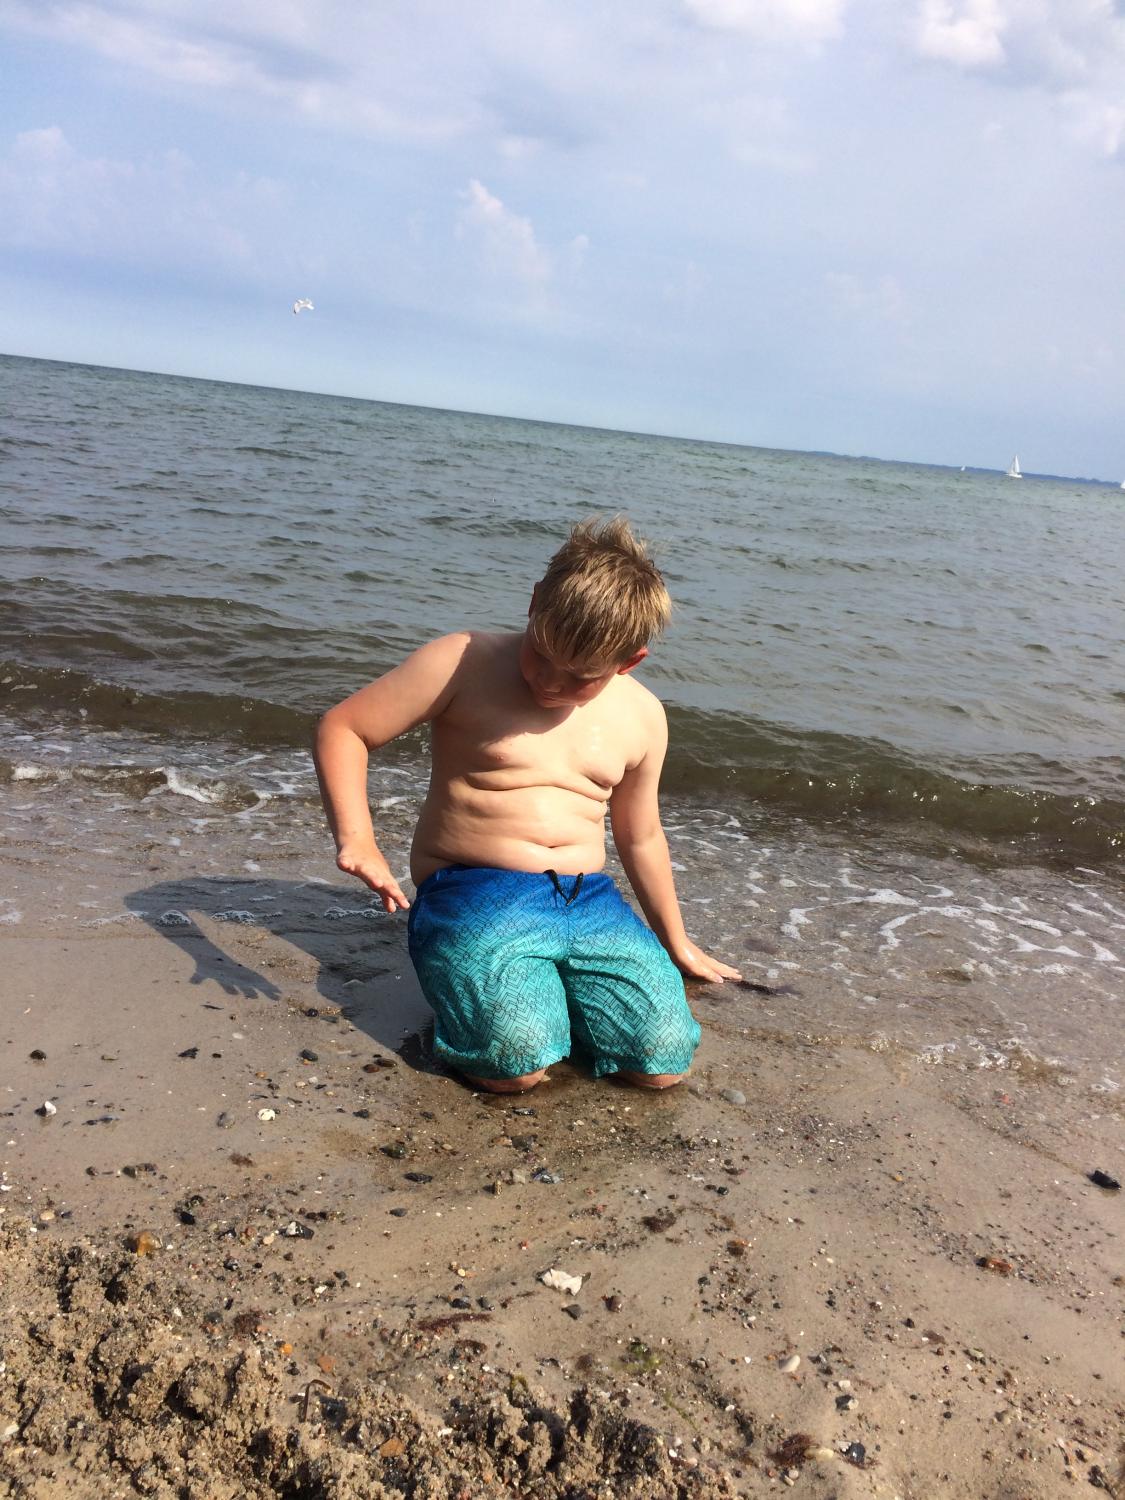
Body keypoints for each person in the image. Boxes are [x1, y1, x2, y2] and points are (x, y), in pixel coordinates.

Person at [314, 516, 740, 1094]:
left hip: (589, 899)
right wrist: (358, 839)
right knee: (513, 1065)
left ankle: (550, 993)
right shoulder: (464, 662)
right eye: (541, 653)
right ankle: (500, 1000)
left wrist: (676, 940)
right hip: (474, 889)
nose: (550, 683)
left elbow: (640, 836)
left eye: (581, 676)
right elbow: (345, 728)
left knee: (662, 1061)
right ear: (535, 602)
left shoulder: (642, 715)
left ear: (628, 662)